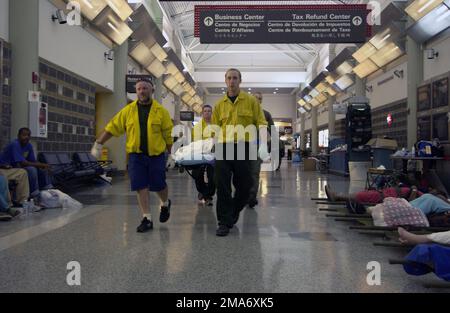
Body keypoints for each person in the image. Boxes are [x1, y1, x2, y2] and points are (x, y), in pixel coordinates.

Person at [91, 78, 174, 233]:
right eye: (139, 89)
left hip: (156, 155)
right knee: (140, 185)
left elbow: (167, 135)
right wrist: (98, 143)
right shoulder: (128, 111)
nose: (142, 91)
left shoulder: (161, 112)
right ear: (136, 91)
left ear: (152, 90)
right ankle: (146, 218)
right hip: (136, 156)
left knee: (159, 185)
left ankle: (165, 203)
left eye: (145, 88)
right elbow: (112, 127)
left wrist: (171, 155)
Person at [212, 68, 268, 236]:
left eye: (235, 78)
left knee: (246, 185)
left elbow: (261, 123)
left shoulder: (251, 101)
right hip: (223, 147)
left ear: (240, 80)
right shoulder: (219, 104)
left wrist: (263, 143)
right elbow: (215, 129)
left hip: (244, 147)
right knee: (222, 186)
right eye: (229, 78)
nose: (232, 81)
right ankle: (223, 221)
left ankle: (233, 210)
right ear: (225, 80)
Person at [0, 128, 52, 199]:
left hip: (17, 167)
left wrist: (44, 166)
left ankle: (47, 192)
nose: (26, 137)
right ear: (18, 136)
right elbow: (23, 163)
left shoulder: (29, 145)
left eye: (28, 135)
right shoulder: (15, 144)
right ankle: (34, 195)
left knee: (42, 169)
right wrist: (42, 164)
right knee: (31, 170)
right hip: (6, 168)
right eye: (24, 135)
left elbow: (33, 161)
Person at [248, 92, 273, 209]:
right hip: (243, 147)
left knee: (254, 172)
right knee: (242, 173)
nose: (256, 100)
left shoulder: (266, 114)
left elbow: (272, 132)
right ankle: (243, 194)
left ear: (261, 101)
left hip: (258, 148)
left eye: (259, 98)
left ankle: (252, 197)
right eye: (254, 98)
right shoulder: (245, 113)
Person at [192, 105, 216, 206]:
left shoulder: (216, 125)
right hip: (200, 153)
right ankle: (203, 192)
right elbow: (195, 141)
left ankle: (208, 195)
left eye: (209, 111)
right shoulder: (197, 127)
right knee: (197, 174)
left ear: (212, 113)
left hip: (213, 153)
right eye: (205, 111)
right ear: (202, 113)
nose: (207, 113)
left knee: (213, 176)